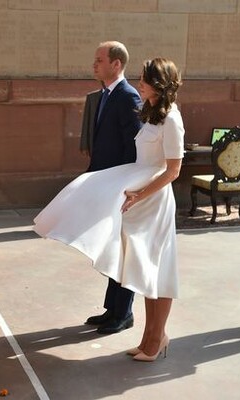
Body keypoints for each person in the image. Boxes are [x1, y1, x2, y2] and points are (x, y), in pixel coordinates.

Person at [35, 57, 184, 362]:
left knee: (159, 269)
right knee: (143, 269)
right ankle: (148, 338)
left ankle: (157, 338)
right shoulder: (153, 115)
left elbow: (173, 171)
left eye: (144, 79)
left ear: (159, 83)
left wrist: (140, 193)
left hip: (153, 201)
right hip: (137, 199)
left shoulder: (172, 119)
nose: (139, 83)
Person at [69, 41, 143, 335]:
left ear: (116, 64)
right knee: (111, 248)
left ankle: (123, 313)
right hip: (104, 182)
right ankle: (112, 308)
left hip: (120, 187)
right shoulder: (105, 95)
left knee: (123, 250)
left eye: (99, 60)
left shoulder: (128, 97)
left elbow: (133, 148)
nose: (94, 64)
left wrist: (125, 187)